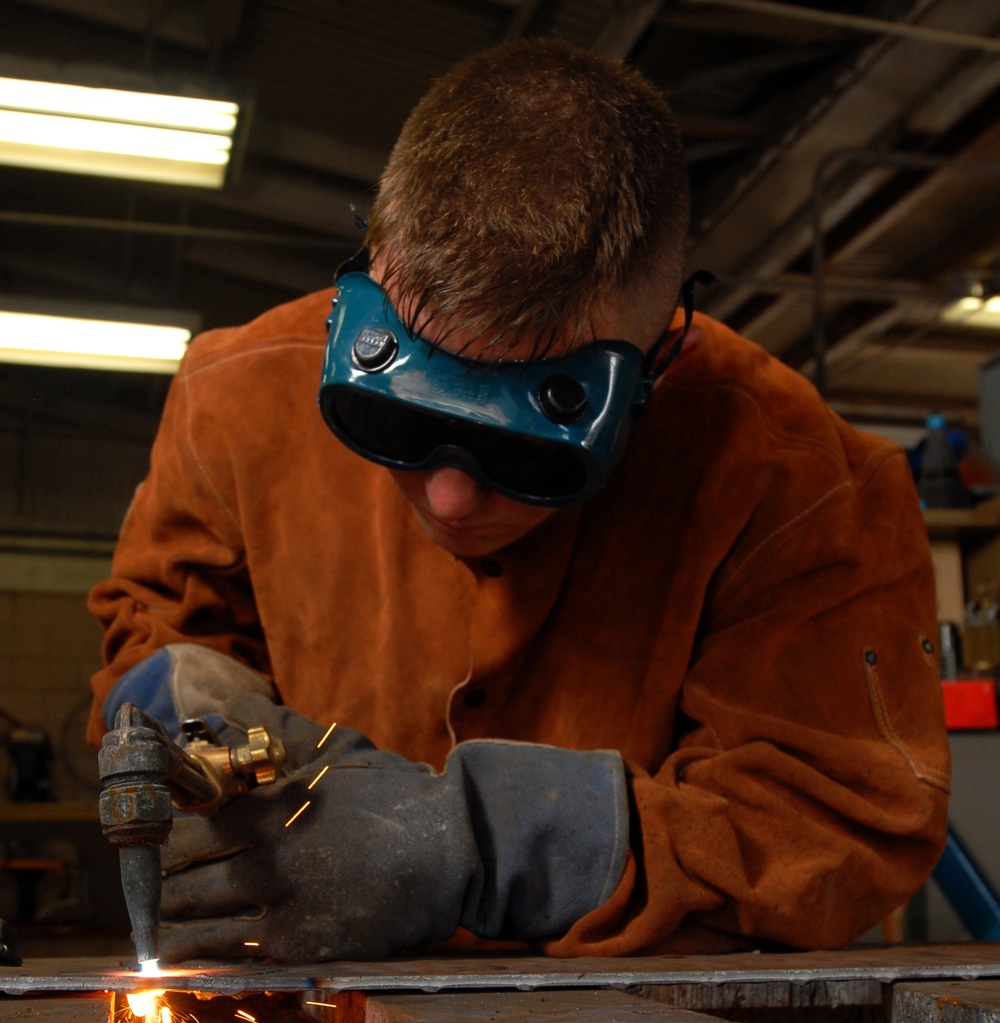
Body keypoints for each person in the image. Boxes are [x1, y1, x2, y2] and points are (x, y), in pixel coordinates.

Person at [87, 38, 949, 966]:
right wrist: (188, 706)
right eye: (400, 425)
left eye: (521, 453)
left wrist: (491, 845)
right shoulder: (235, 395)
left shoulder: (800, 482)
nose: (453, 500)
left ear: (662, 360)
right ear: (369, 280)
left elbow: (838, 818)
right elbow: (153, 624)